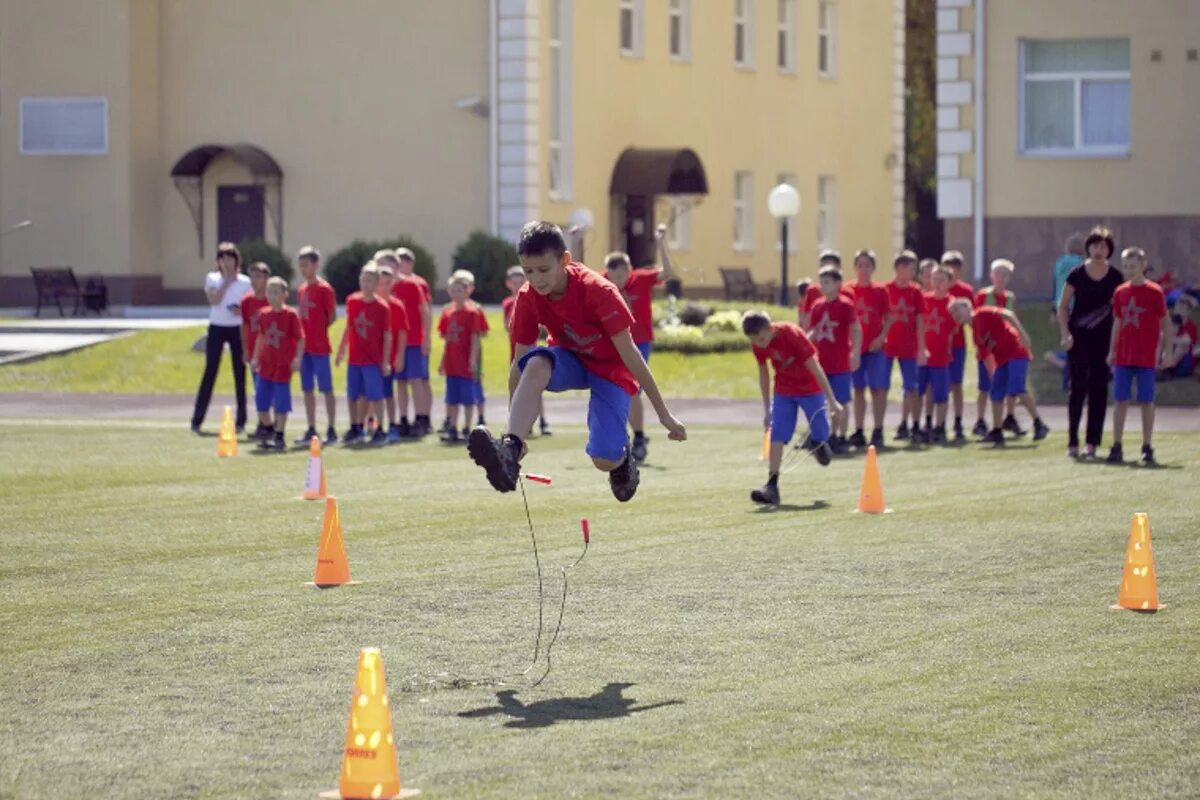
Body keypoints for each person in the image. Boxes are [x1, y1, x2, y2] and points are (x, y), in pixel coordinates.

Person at [467, 221, 687, 502]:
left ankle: (622, 459)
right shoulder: (528, 296)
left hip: (611, 368)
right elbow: (519, 364)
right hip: (570, 358)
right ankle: (510, 450)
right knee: (535, 363)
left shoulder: (599, 291)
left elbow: (631, 354)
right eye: (528, 271)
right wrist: (513, 436)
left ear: (565, 261)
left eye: (544, 270)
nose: (536, 279)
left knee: (602, 458)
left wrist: (664, 415)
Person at [743, 310, 844, 506]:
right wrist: (766, 410)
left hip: (810, 389)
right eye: (756, 341)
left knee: (822, 433)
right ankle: (772, 486)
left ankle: (818, 442)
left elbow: (815, 367)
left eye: (763, 339)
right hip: (784, 390)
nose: (761, 344)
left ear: (770, 328)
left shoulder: (792, 334)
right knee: (777, 433)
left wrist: (832, 401)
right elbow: (763, 374)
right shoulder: (756, 344)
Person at [602, 225, 674, 463]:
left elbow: (668, 272)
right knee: (619, 389)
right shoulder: (604, 281)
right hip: (614, 342)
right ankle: (628, 437)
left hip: (640, 342)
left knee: (632, 388)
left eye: (621, 277)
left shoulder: (641, 279)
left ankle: (639, 437)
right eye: (613, 278)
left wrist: (661, 242)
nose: (617, 283)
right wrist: (576, 240)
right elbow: (577, 275)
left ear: (629, 271)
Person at [1057, 226, 1124, 458]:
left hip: (1103, 341)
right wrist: (1065, 333)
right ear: (1088, 248)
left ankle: (1092, 443)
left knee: (1099, 390)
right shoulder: (1076, 274)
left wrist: (1115, 345)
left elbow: (1119, 313)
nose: (1098, 250)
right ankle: (1072, 442)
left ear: (1109, 250)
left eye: (1103, 246)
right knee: (1077, 389)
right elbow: (1063, 306)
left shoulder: (1116, 277)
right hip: (1078, 340)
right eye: (1095, 245)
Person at [950, 299, 1049, 446]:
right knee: (996, 393)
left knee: (1017, 388)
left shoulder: (982, 313)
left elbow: (1007, 314)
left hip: (1016, 352)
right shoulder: (975, 335)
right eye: (952, 312)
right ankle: (997, 431)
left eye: (957, 309)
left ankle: (1039, 424)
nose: (955, 314)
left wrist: (1022, 334)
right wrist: (995, 377)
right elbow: (986, 357)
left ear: (967, 307)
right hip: (1002, 360)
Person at [1107, 247, 1170, 464]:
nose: (1129, 270)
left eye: (1133, 266)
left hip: (1145, 356)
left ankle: (1147, 446)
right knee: (1120, 400)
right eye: (1125, 266)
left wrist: (1166, 351)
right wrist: (1112, 350)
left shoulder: (1155, 292)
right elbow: (1117, 321)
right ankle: (1116, 445)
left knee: (1146, 401)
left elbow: (1165, 323)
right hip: (1124, 355)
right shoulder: (1120, 292)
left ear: (1143, 266)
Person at [191, 242, 252, 434]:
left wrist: (240, 310)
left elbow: (250, 307)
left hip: (237, 329)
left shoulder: (245, 282)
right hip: (217, 328)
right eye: (223, 259)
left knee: (239, 373)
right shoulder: (213, 278)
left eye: (230, 258)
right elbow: (214, 300)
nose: (226, 262)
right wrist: (226, 281)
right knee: (210, 371)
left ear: (236, 260)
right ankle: (197, 419)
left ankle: (241, 419)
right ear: (218, 261)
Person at [335, 263, 392, 446]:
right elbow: (349, 327)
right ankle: (355, 427)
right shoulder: (353, 301)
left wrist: (385, 361)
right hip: (355, 358)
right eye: (363, 280)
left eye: (370, 281)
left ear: (377, 284)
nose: (366, 284)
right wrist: (342, 349)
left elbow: (387, 335)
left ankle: (380, 428)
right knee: (353, 395)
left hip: (372, 359)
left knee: (375, 396)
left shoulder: (382, 307)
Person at [806, 265, 860, 453]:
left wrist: (856, 352)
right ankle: (826, 436)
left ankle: (841, 436)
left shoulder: (846, 305)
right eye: (821, 282)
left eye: (827, 282)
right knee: (822, 401)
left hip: (841, 363)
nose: (823, 286)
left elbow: (855, 329)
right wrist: (804, 343)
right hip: (822, 363)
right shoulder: (817, 306)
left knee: (841, 401)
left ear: (838, 284)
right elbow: (813, 330)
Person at [249, 277, 305, 451]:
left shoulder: (290, 315)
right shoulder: (264, 314)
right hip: (266, 364)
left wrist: (297, 358)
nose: (272, 296)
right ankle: (269, 430)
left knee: (281, 401)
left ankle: (280, 435)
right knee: (260, 400)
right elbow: (261, 337)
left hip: (282, 364)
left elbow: (300, 338)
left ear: (285, 295)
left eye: (276, 292)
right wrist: (256, 357)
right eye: (269, 292)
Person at [974, 259, 1025, 436]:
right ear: (991, 276)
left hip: (1006, 347)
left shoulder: (1010, 297)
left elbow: (1014, 319)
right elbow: (977, 321)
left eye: (1004, 274)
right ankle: (980, 419)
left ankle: (1009, 416)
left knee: (1008, 385)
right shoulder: (983, 296)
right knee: (985, 385)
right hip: (989, 347)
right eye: (997, 274)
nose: (1000, 278)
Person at [294, 246, 339, 445]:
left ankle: (331, 427)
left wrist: (318, 329)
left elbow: (331, 316)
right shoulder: (301, 289)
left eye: (306, 265)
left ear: (316, 264)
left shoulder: (324, 289)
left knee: (326, 388)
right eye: (301, 265)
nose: (303, 269)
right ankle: (311, 427)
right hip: (304, 348)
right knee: (307, 388)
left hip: (320, 346)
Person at [847, 250, 890, 450]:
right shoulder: (848, 290)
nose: (863, 269)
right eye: (860, 265)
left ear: (873, 268)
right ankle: (858, 429)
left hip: (875, 347)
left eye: (867, 265)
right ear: (855, 267)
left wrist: (881, 338)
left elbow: (888, 318)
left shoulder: (880, 291)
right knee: (858, 389)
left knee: (877, 389)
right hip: (856, 347)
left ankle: (878, 429)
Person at [438, 270, 488, 443]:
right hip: (452, 362)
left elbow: (475, 338)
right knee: (451, 398)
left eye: (460, 290)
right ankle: (452, 427)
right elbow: (446, 340)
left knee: (468, 399)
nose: (456, 293)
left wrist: (473, 360)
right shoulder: (447, 313)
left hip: (465, 362)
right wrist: (443, 361)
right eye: (453, 290)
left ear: (467, 291)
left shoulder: (472, 313)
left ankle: (467, 428)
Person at [389, 248, 434, 437]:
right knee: (401, 381)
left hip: (415, 339)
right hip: (398, 341)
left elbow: (425, 311)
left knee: (418, 380)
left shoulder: (415, 284)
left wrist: (426, 337)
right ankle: (404, 419)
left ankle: (422, 418)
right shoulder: (387, 285)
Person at [502, 265, 550, 435]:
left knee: (535, 386)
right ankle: (518, 424)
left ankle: (542, 421)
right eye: (514, 282)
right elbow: (508, 327)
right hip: (515, 350)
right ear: (509, 284)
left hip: (531, 349)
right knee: (516, 385)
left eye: (520, 281)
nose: (517, 285)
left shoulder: (533, 299)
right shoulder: (508, 303)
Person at [884, 250, 924, 442]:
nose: (914, 272)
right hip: (888, 345)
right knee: (882, 387)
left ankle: (915, 425)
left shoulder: (915, 291)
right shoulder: (886, 289)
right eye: (911, 268)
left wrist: (922, 347)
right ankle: (879, 428)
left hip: (909, 346)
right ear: (900, 268)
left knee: (912, 387)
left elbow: (920, 320)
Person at [917, 265, 955, 443]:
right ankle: (927, 423)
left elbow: (955, 327)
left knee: (941, 393)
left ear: (949, 283)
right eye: (935, 279)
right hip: (923, 354)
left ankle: (941, 426)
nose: (938, 283)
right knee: (923, 390)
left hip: (941, 354)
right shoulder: (924, 300)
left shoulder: (952, 304)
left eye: (942, 280)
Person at [941, 251, 974, 440]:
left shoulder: (965, 290)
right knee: (939, 384)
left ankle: (959, 421)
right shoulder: (939, 287)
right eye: (948, 265)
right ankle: (939, 422)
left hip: (957, 343)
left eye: (955, 266)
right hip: (939, 343)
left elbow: (972, 316)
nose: (952, 269)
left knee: (956, 383)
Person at [375, 261, 409, 443]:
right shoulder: (371, 303)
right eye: (380, 282)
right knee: (371, 394)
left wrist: (400, 356)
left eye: (387, 283)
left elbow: (402, 332)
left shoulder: (397, 305)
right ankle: (372, 424)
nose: (383, 286)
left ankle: (392, 424)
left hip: (388, 357)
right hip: (371, 356)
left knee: (388, 393)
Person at [240, 262, 272, 439]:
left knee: (269, 389)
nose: (254, 281)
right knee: (258, 389)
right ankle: (263, 424)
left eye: (259, 276)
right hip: (253, 352)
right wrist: (245, 349)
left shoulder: (271, 300)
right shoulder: (246, 301)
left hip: (270, 354)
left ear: (266, 279)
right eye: (252, 276)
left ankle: (272, 425)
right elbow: (244, 326)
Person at [798, 249, 851, 328]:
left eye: (829, 267)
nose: (825, 271)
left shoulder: (847, 292)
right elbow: (804, 318)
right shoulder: (813, 290)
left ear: (839, 268)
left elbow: (852, 323)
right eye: (822, 267)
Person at [1051, 232, 1086, 324]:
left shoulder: (1059, 263)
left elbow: (1055, 286)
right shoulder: (1082, 263)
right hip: (1078, 305)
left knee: (1065, 333)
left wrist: (1054, 310)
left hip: (1061, 303)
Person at [1159, 314, 1195, 379]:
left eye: (1175, 326)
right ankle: (1161, 369)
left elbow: (1187, 341)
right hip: (1168, 365)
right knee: (1162, 344)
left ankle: (1167, 370)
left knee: (1180, 346)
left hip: (1182, 367)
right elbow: (1160, 337)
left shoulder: (1184, 335)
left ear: (1179, 326)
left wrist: (1170, 340)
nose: (1173, 328)